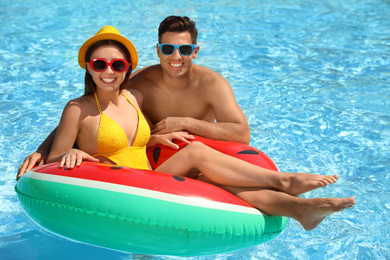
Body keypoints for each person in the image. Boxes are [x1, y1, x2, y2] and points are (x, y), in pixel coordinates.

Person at [43, 25, 354, 231]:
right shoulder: (78, 107)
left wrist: (155, 136)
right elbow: (59, 154)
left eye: (118, 65)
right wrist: (59, 151)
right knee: (197, 151)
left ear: (127, 69)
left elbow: (128, 141)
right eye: (100, 65)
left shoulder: (130, 97)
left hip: (149, 178)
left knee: (215, 181)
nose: (109, 71)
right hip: (122, 187)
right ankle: (284, 180)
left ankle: (300, 210)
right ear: (88, 67)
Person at [17, 16, 250, 178]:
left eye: (185, 50)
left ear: (195, 51)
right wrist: (45, 150)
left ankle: (284, 187)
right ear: (158, 50)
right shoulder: (136, 84)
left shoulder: (212, 84)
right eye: (168, 49)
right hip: (148, 167)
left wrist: (184, 122)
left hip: (186, 157)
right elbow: (83, 111)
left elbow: (242, 134)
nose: (176, 56)